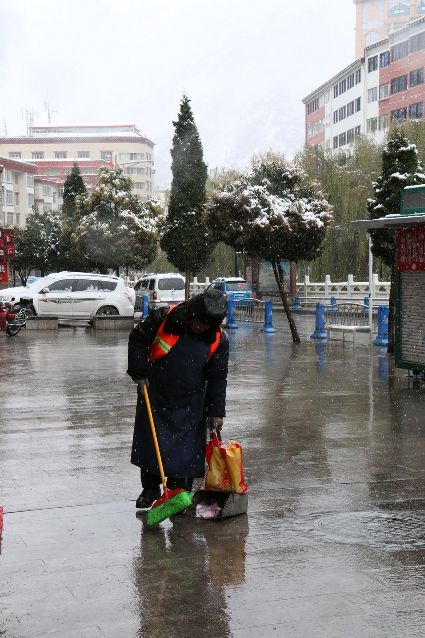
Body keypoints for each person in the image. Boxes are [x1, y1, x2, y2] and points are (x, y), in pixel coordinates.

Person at [127, 287, 229, 508]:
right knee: (152, 445)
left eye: (206, 325)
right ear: (193, 312)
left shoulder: (218, 340)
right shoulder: (165, 318)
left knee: (185, 454)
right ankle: (150, 488)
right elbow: (137, 338)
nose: (200, 327)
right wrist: (139, 373)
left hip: (191, 402)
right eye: (198, 321)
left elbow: (218, 377)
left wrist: (216, 411)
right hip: (156, 393)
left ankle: (178, 495)